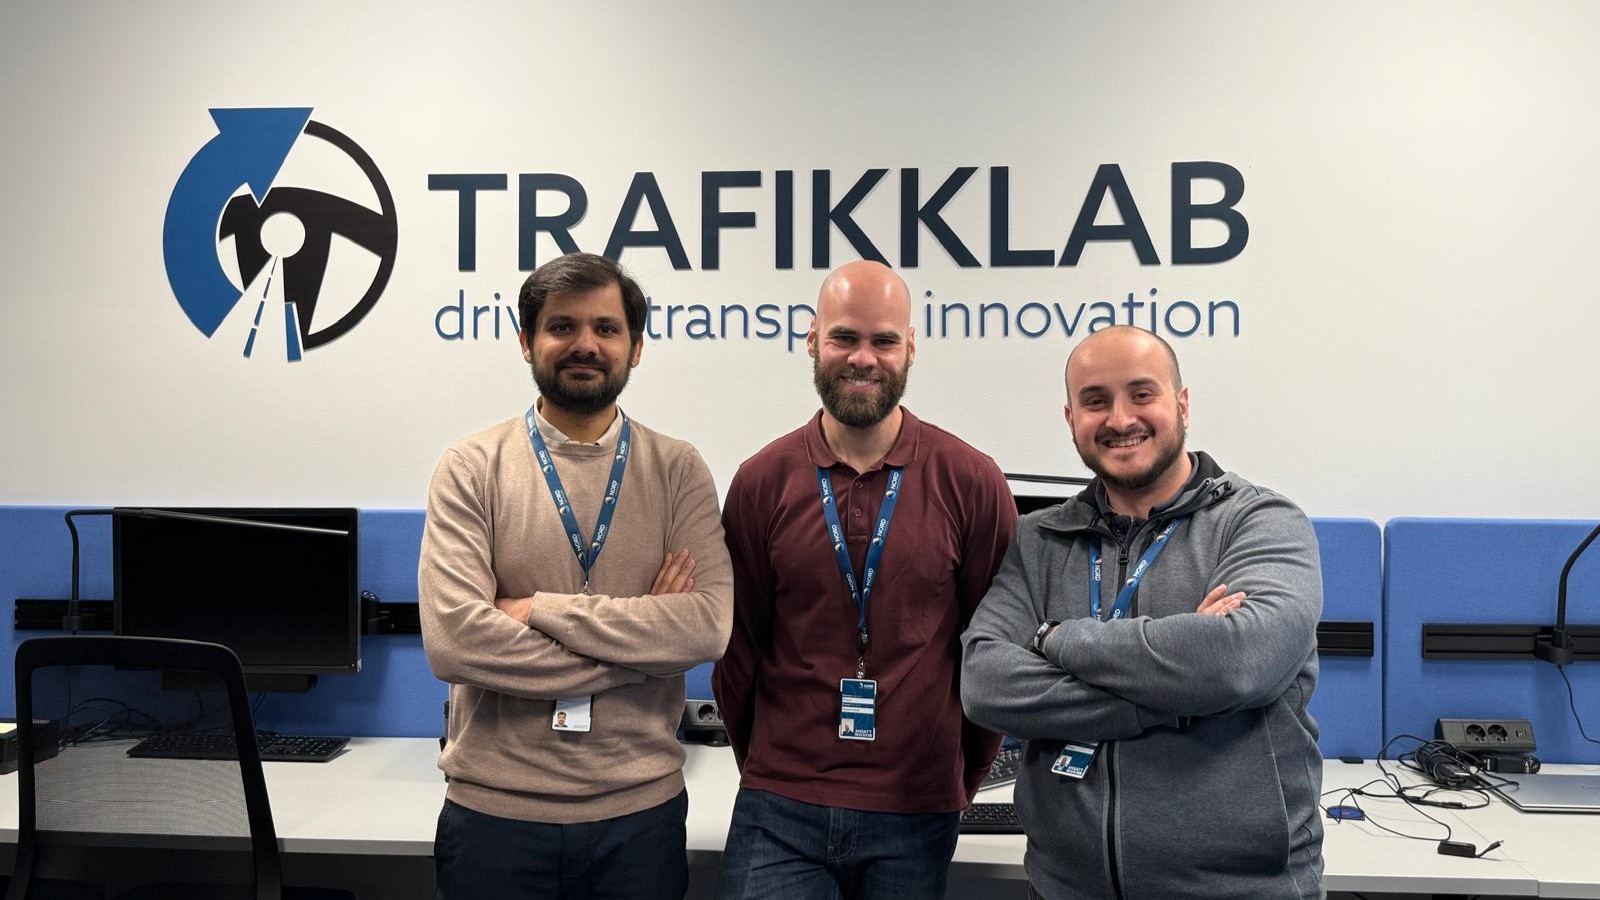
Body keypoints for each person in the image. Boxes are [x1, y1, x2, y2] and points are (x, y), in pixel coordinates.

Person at [960, 325, 1324, 900]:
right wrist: (1179, 695)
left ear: (1182, 404)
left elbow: (1236, 663)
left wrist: (1055, 638)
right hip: (1064, 889)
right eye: (1095, 401)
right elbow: (986, 685)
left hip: (1238, 890)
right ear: (1071, 418)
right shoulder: (1038, 539)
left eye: (1141, 393)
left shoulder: (1260, 522)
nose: (1120, 418)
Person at [419, 251, 733, 900]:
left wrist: (536, 609)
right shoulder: (471, 467)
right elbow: (456, 643)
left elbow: (705, 628)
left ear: (635, 348)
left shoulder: (678, 470)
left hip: (639, 818)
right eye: (562, 326)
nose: (585, 344)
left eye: (606, 328)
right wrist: (641, 653)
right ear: (526, 341)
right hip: (494, 818)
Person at [712, 259, 1016, 899]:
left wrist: (958, 778)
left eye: (884, 340)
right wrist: (766, 768)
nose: (863, 358)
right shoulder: (761, 481)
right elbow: (740, 650)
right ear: (812, 340)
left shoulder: (971, 481)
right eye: (844, 337)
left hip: (915, 806)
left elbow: (989, 648)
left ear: (911, 347)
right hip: (780, 806)